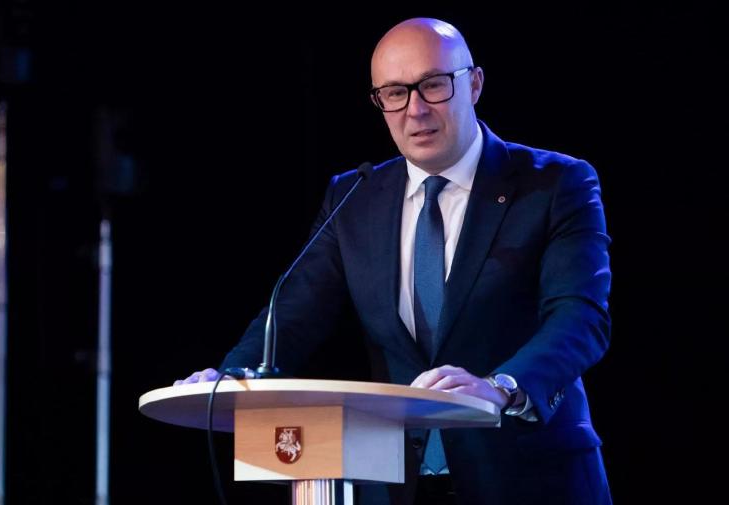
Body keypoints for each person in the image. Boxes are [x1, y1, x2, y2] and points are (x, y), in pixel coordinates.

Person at [176, 17, 612, 505]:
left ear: (474, 84)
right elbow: (293, 313)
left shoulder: (555, 184)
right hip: (396, 482)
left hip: (530, 479)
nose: (415, 110)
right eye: (394, 93)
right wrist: (232, 377)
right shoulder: (355, 196)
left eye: (433, 85)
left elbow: (580, 318)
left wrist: (501, 386)